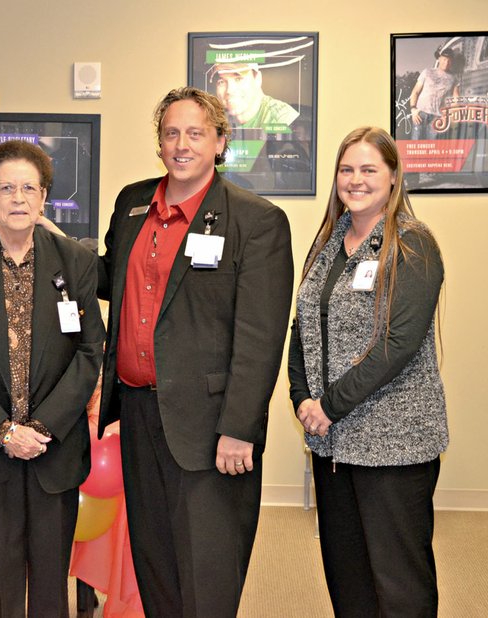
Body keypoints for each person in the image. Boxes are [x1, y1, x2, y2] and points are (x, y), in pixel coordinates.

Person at [96, 87, 293, 617]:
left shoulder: (255, 221)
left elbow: (260, 337)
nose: (181, 145)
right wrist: (41, 241)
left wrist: (239, 427)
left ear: (221, 141)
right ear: (159, 142)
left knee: (207, 572)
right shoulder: (133, 202)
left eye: (195, 133)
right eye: (170, 133)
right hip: (138, 413)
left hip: (211, 426)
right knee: (154, 562)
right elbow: (109, 277)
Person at [0, 140, 104, 617]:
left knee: (51, 581)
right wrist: (5, 431)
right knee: (2, 581)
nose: (18, 198)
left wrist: (42, 428)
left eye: (29, 187)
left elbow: (91, 350)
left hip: (55, 445)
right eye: (6, 187)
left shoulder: (75, 262)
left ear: (44, 197)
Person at [288, 126, 447, 617]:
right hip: (333, 445)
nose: (355, 180)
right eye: (346, 169)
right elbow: (302, 324)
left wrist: (328, 405)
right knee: (348, 578)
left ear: (394, 178)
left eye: (369, 169)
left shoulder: (413, 244)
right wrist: (301, 398)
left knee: (398, 584)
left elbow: (397, 344)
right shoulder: (330, 241)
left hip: (394, 445)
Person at [212, 62, 299, 128]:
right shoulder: (218, 119)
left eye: (238, 79)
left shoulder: (281, 117)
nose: (229, 90)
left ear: (258, 79)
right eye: (221, 82)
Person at [409, 47, 460, 140]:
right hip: (420, 114)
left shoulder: (454, 78)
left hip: (437, 118)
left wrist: (448, 116)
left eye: (449, 60)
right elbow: (415, 91)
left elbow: (456, 99)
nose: (446, 62)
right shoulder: (427, 72)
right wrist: (413, 110)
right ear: (439, 59)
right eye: (444, 59)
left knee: (433, 149)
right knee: (415, 147)